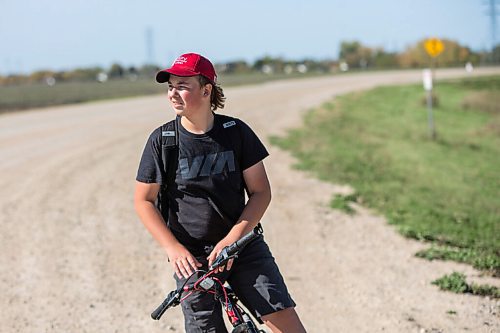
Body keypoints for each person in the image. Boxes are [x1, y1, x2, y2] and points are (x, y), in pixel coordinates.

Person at [134, 52, 306, 333]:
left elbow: (261, 192)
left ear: (206, 89)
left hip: (241, 245)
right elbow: (144, 201)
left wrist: (232, 240)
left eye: (182, 86)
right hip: (192, 258)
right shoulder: (162, 141)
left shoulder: (235, 132)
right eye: (170, 87)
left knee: (284, 321)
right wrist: (173, 248)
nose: (173, 94)